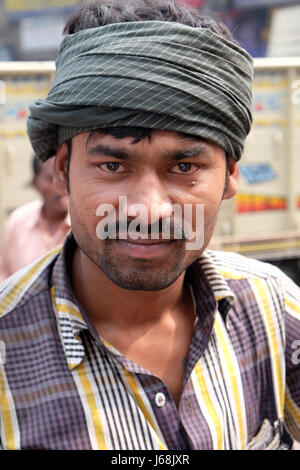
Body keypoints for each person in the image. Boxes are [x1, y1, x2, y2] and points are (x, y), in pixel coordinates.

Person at [0, 0, 299, 450]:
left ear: (231, 174)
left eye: (183, 166)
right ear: (61, 170)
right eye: (112, 166)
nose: (148, 210)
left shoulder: (273, 308)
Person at [0, 155, 70, 281]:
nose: (62, 187)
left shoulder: (85, 225)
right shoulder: (18, 222)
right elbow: (4, 277)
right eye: (51, 179)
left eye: (66, 176)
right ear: (35, 183)